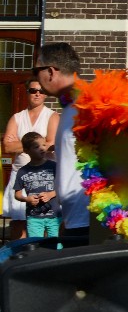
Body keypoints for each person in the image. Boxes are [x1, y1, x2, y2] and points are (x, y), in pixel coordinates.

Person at [32, 42, 88, 239]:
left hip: (88, 220)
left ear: (50, 72)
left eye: (35, 71)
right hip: (74, 217)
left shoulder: (88, 106)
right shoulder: (69, 108)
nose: (35, 78)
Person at [2, 79, 58, 239]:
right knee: (19, 222)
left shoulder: (51, 116)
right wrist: (41, 143)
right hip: (20, 174)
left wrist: (20, 144)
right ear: (27, 92)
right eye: (33, 90)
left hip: (44, 176)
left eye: (41, 91)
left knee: (47, 220)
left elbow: (52, 143)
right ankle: (19, 258)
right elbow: (7, 147)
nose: (37, 94)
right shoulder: (17, 117)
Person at [12, 131, 59, 240]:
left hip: (54, 216)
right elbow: (17, 194)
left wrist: (51, 194)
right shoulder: (22, 171)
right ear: (26, 150)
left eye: (44, 145)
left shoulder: (54, 166)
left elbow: (61, 187)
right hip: (34, 217)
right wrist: (27, 199)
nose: (42, 148)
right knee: (35, 244)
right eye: (36, 147)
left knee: (56, 245)